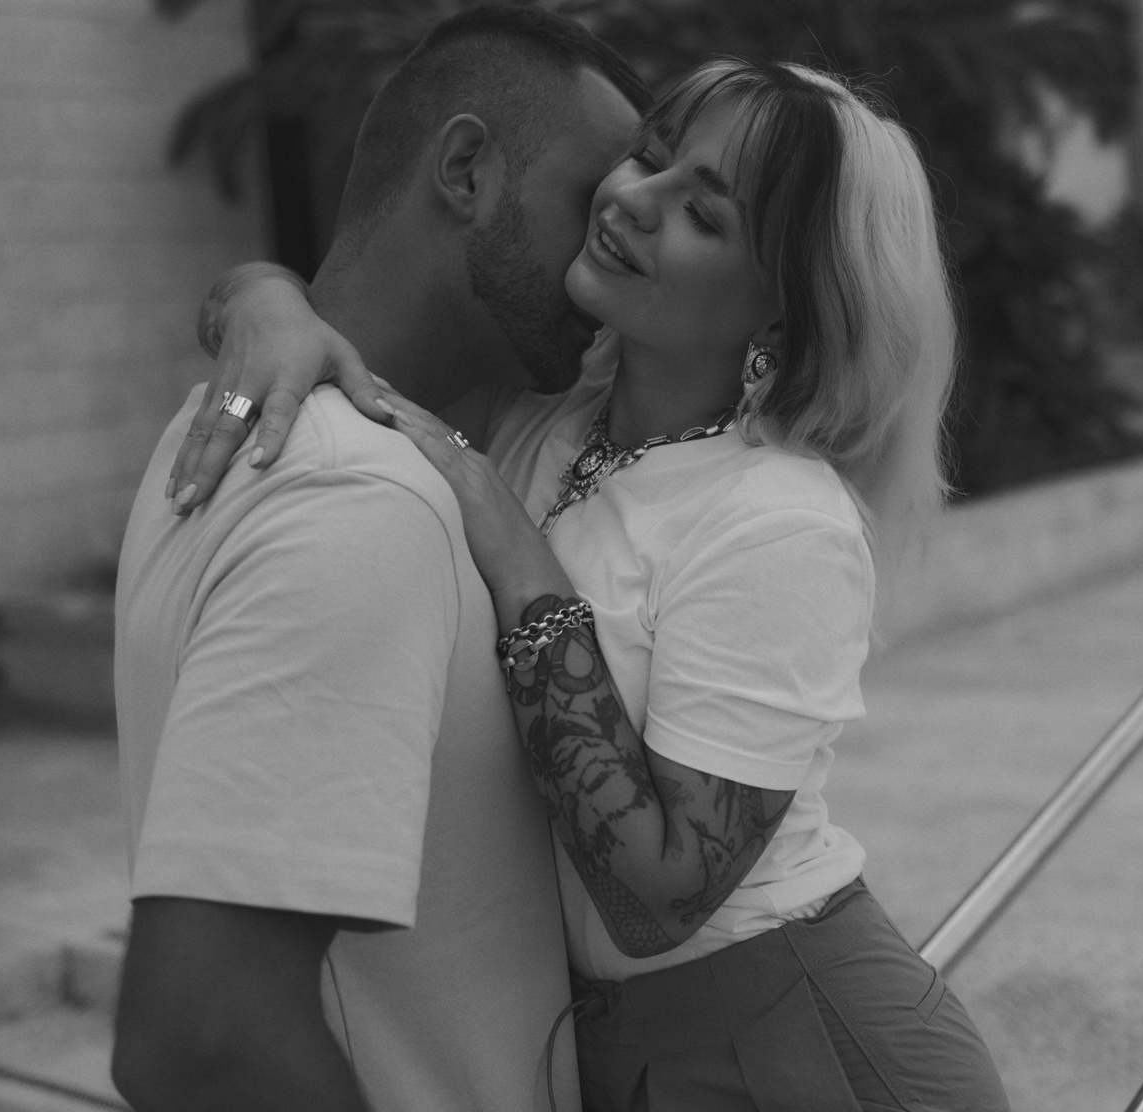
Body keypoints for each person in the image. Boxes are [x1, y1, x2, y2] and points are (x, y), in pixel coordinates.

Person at [187, 59, 1012, 1112]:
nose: (632, 199)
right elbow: (354, 316)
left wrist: (523, 565)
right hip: (609, 1048)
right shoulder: (544, 415)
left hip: (801, 1039)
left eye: (702, 213)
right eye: (651, 156)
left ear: (782, 311)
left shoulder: (779, 519)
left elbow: (661, 895)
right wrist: (260, 297)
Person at [108, 5, 649, 1112]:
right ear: (466, 169)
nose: (605, 264)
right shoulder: (362, 501)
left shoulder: (224, 427)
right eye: (586, 207)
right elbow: (203, 1036)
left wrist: (254, 287)